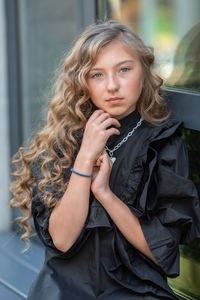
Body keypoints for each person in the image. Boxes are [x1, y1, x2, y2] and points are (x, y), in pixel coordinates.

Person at [10, 20, 200, 300]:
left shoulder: (163, 143)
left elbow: (163, 252)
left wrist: (105, 194)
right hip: (64, 290)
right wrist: (85, 157)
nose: (112, 86)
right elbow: (62, 241)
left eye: (124, 69)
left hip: (136, 291)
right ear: (83, 82)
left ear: (144, 72)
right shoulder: (65, 138)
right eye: (97, 75)